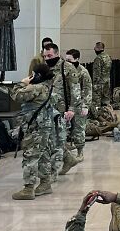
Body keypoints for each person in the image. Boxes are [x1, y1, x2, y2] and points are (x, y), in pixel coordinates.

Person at [8, 61, 59, 200]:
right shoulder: (49, 86)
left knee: (30, 156)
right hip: (45, 126)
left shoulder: (36, 88)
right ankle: (45, 183)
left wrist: (22, 83)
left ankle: (28, 188)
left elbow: (16, 95)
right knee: (43, 155)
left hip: (36, 128)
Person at [42, 44, 80, 178]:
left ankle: (51, 174)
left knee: (56, 141)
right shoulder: (45, 68)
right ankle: (69, 159)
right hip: (47, 110)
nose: (47, 58)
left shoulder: (67, 68)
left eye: (50, 56)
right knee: (51, 140)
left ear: (57, 54)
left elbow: (75, 90)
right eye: (45, 56)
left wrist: (72, 109)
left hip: (62, 111)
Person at [65, 49, 92, 159]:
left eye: (69, 60)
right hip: (68, 104)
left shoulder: (83, 72)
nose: (67, 62)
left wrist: (86, 106)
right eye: (66, 60)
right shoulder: (66, 70)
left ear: (76, 59)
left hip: (79, 104)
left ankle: (80, 152)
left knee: (79, 129)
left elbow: (87, 90)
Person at [91, 41, 112, 109]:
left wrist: (94, 84)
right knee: (106, 100)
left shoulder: (98, 58)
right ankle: (108, 113)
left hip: (99, 83)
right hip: (107, 80)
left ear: (98, 48)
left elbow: (96, 73)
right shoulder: (108, 56)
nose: (94, 49)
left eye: (95, 48)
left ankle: (99, 115)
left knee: (97, 102)